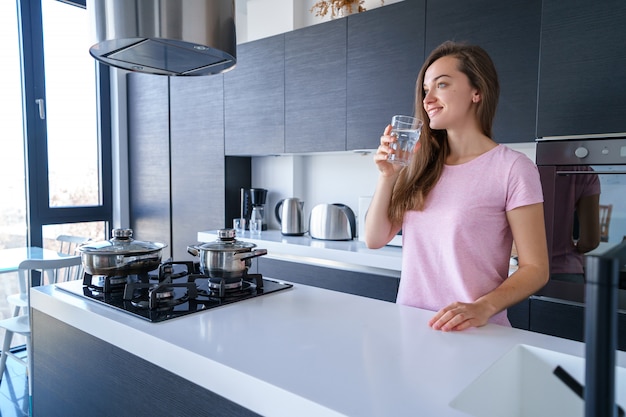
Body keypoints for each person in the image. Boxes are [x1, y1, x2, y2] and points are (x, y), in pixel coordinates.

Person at [364, 41, 549, 331]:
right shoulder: (419, 165)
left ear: (477, 91)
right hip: (412, 329)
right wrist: (388, 176)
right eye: (426, 90)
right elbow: (374, 239)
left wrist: (482, 307)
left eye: (442, 85)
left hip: (475, 334)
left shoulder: (513, 168)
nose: (428, 99)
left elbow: (536, 269)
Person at [550, 166, 601, 283]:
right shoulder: (584, 172)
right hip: (566, 270)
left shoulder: (526, 167)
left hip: (524, 273)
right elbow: (590, 242)